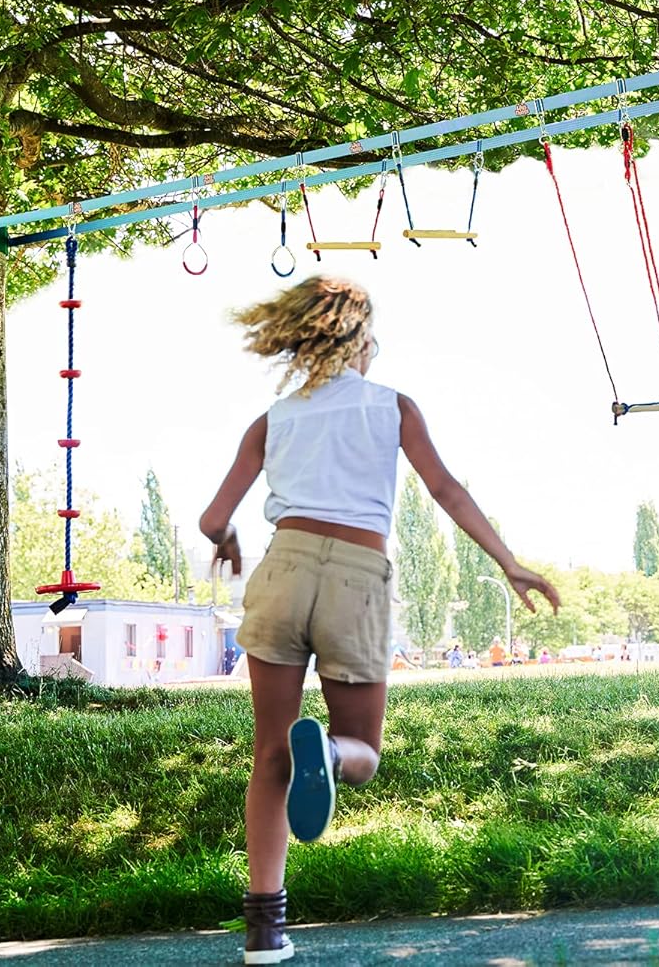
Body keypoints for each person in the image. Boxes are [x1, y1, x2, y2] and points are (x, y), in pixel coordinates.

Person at [198, 275, 560, 965]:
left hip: (280, 568)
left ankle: (263, 930)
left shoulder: (271, 419)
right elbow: (446, 489)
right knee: (360, 752)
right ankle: (329, 755)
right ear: (359, 338)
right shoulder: (393, 408)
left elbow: (215, 517)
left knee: (268, 755)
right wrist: (508, 562)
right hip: (355, 578)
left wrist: (228, 541)